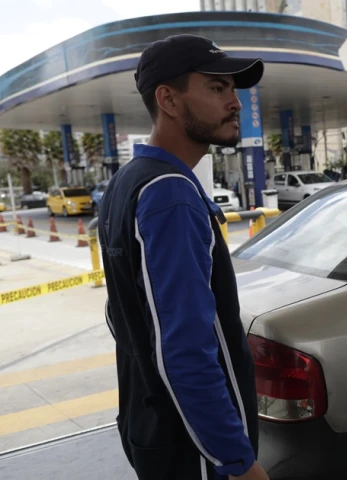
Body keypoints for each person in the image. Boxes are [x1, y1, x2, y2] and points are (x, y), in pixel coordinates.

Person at [98, 34, 269, 480]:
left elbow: (121, 314)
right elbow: (185, 351)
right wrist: (236, 461)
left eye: (233, 89)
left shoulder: (127, 181)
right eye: (217, 87)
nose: (235, 102)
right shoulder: (170, 194)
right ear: (168, 100)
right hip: (196, 453)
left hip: (150, 427)